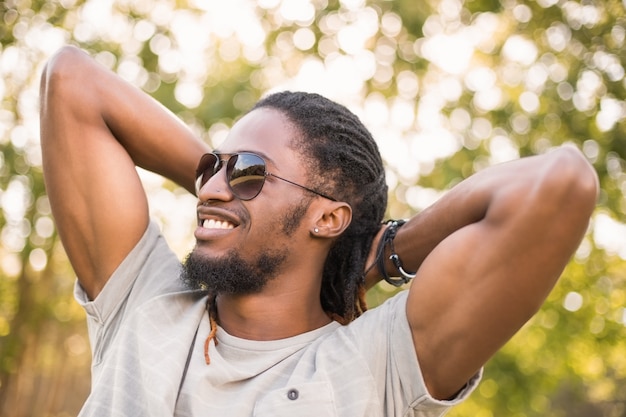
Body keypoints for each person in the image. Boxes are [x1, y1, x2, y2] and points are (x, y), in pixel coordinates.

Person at [39, 45, 598, 417]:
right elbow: (71, 80)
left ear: (328, 218)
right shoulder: (145, 298)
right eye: (212, 167)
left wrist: (385, 254)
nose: (208, 188)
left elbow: (559, 182)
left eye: (250, 172)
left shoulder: (377, 365)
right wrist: (229, 187)